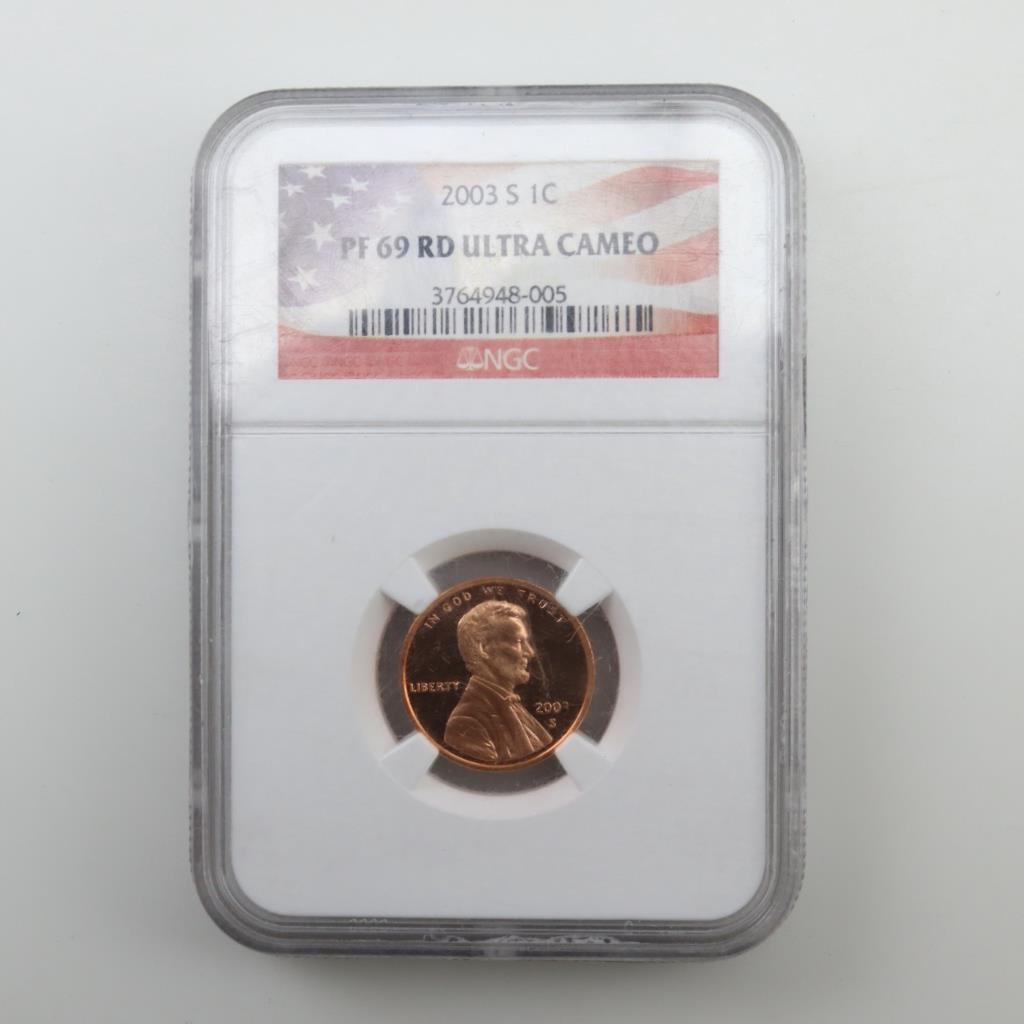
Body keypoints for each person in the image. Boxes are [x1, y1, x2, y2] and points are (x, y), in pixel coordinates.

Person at [444, 600, 552, 764]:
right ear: (484, 648)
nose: (530, 652)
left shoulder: (511, 704)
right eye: (518, 642)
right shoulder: (466, 721)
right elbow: (487, 778)